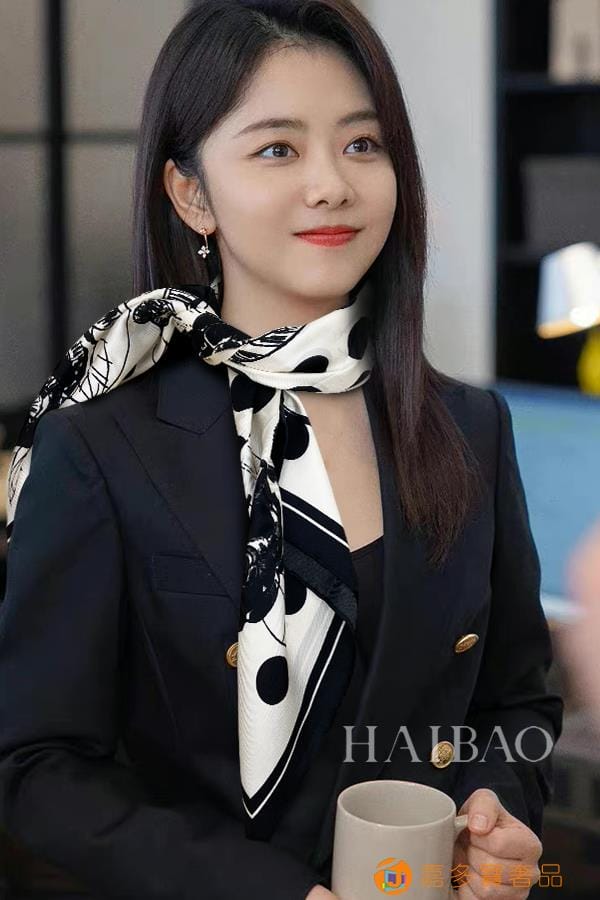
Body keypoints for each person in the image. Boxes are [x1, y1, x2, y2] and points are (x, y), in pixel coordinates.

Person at [0, 1, 563, 898]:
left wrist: (498, 810)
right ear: (191, 194)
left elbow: (516, 703)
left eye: (362, 144)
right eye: (277, 149)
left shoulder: (471, 429)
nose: (331, 185)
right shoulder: (101, 447)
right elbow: (39, 769)